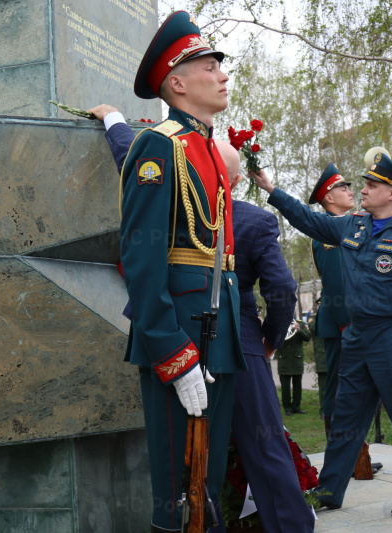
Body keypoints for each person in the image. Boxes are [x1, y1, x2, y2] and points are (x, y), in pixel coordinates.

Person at [90, 103, 316, 532]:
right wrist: (270, 339)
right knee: (255, 442)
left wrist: (114, 120)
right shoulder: (254, 217)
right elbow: (282, 291)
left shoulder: (224, 210)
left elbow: (127, 152)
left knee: (198, 452)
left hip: (228, 330)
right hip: (239, 334)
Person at [250, 151, 392, 516]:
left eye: (372, 185)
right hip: (357, 338)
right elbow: (308, 219)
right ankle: (329, 490)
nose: (364, 190)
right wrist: (271, 190)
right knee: (346, 416)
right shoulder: (352, 225)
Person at [308, 163, 354, 431]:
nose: (349, 191)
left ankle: (355, 454)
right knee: (339, 386)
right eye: (342, 187)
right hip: (342, 325)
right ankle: (341, 455)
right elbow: (337, 284)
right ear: (328, 197)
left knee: (351, 385)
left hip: (350, 323)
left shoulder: (346, 226)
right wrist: (349, 323)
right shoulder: (327, 232)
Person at [277, 319, 311, 415]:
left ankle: (296, 407)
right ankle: (287, 408)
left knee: (297, 385)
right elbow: (274, 339)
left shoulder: (301, 323)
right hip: (284, 359)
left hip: (297, 359)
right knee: (285, 387)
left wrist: (299, 330)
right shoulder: (279, 323)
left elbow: (308, 337)